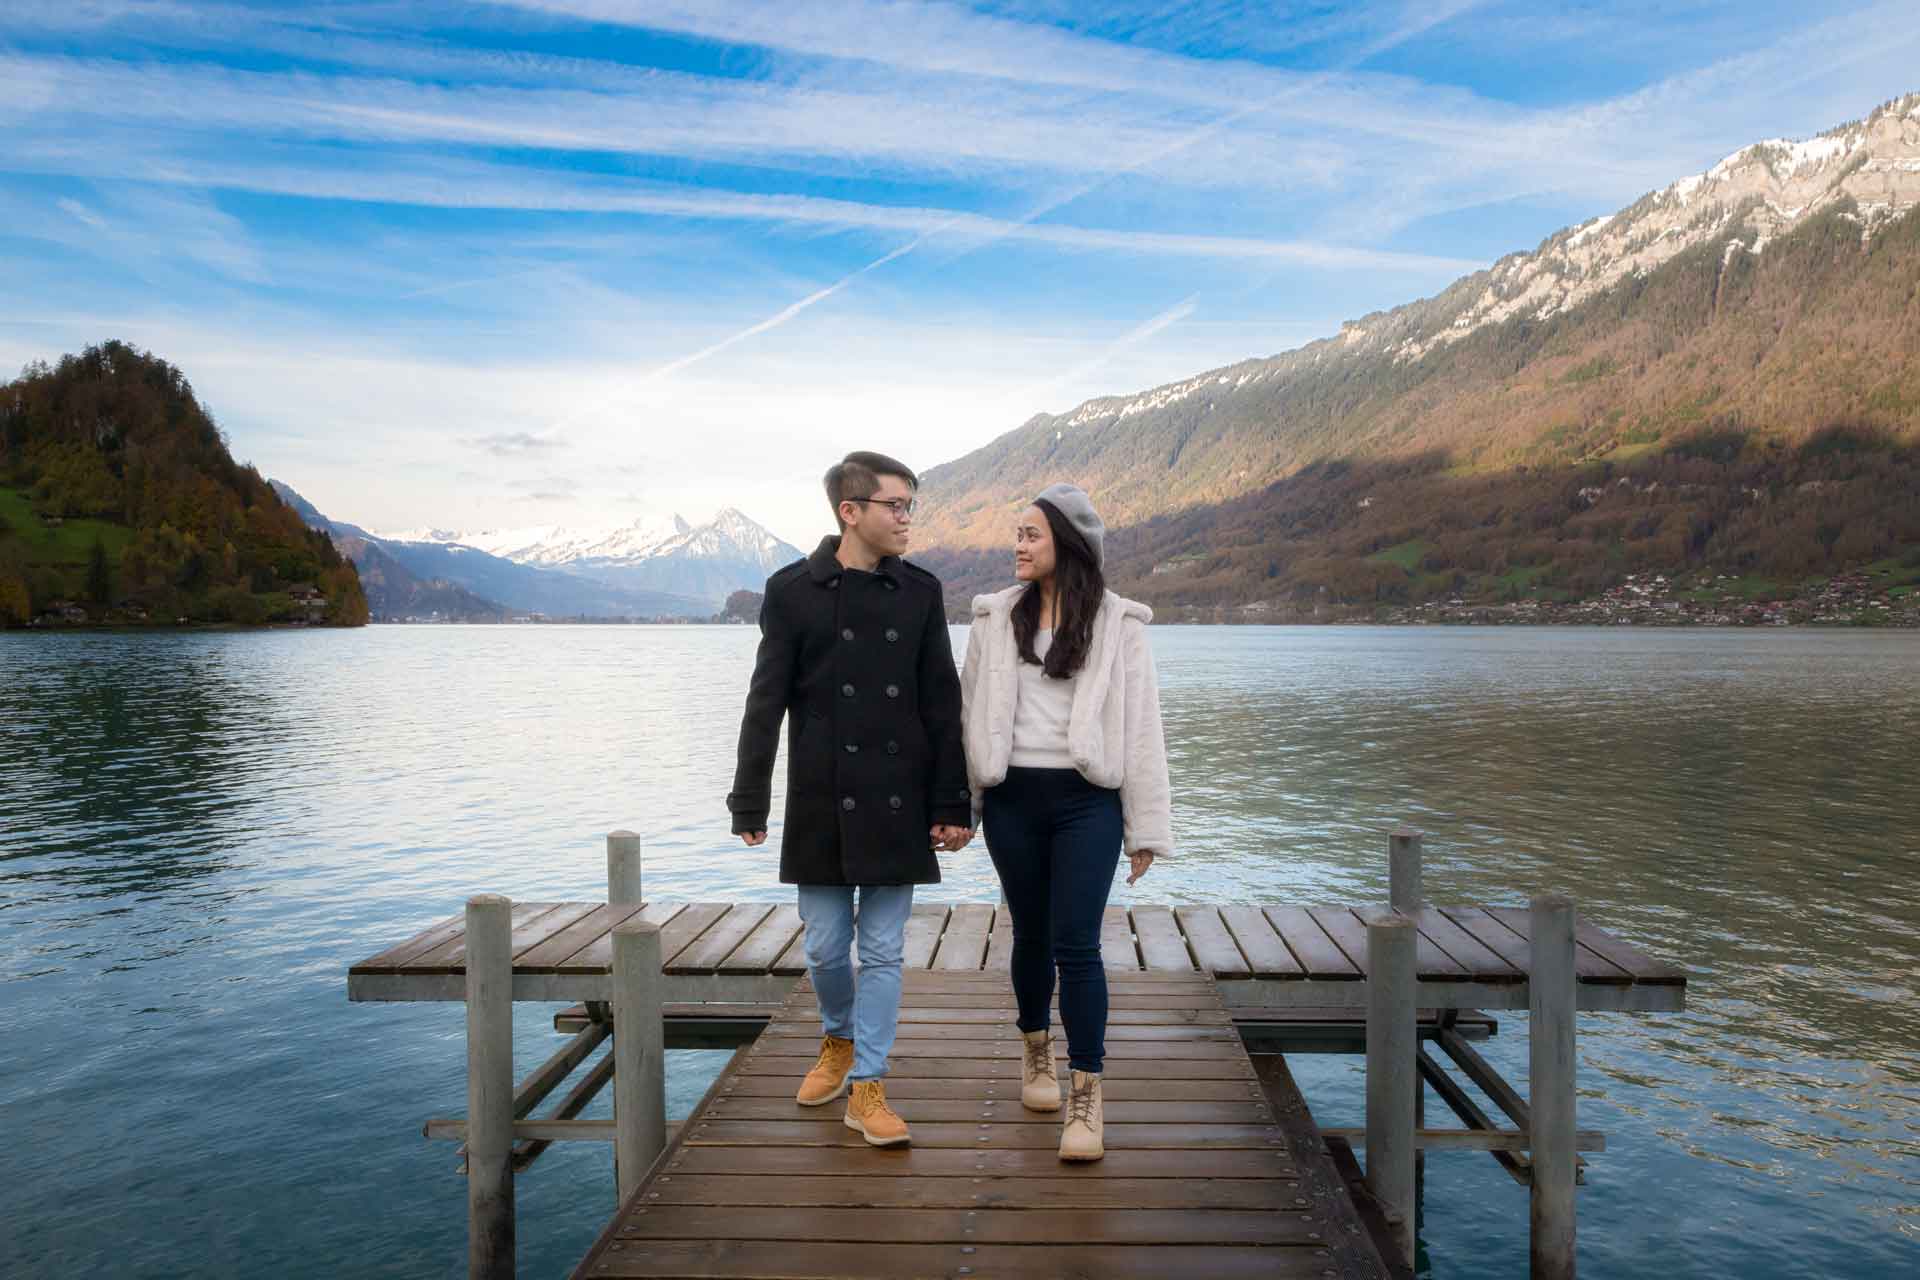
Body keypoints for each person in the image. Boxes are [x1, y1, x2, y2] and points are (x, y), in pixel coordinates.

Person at [728, 450, 974, 1148]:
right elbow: (765, 702)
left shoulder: (921, 593)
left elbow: (940, 703)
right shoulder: (792, 591)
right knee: (828, 950)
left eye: (909, 506)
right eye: (895, 506)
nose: (906, 519)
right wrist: (750, 800)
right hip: (820, 798)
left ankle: (868, 1086)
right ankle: (836, 1039)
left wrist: (953, 804)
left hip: (899, 797)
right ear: (851, 511)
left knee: (886, 949)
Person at [959, 483, 1173, 1161]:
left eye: (1031, 535)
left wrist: (1145, 827)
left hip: (1088, 802)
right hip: (1012, 799)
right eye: (1017, 534)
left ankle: (1087, 1094)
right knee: (1029, 933)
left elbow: (1142, 729)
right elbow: (968, 715)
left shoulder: (1119, 626)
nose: (1017, 546)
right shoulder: (994, 619)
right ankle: (1035, 1053)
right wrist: (959, 807)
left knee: (1076, 942)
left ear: (1068, 544)